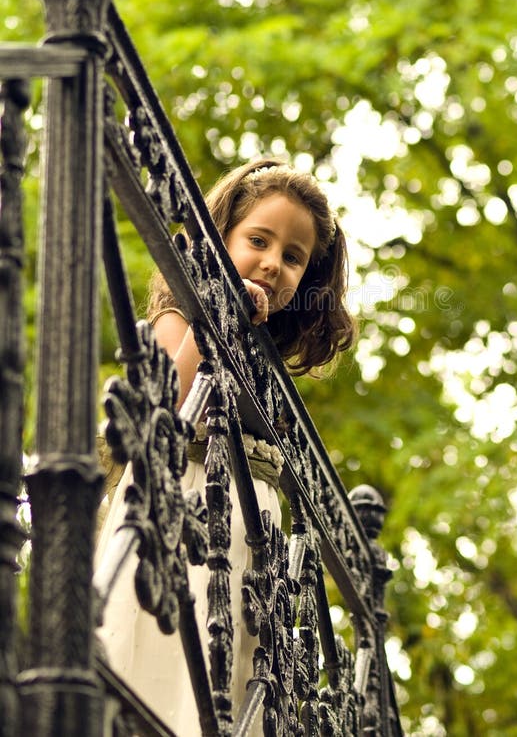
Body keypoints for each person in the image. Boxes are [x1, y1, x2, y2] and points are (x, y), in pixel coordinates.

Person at [95, 158, 356, 735]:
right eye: (258, 240)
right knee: (164, 682)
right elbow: (167, 406)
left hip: (244, 559)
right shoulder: (178, 317)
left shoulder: (267, 373)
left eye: (293, 257)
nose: (273, 263)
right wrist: (216, 319)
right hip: (180, 520)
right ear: (221, 237)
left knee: (225, 695)